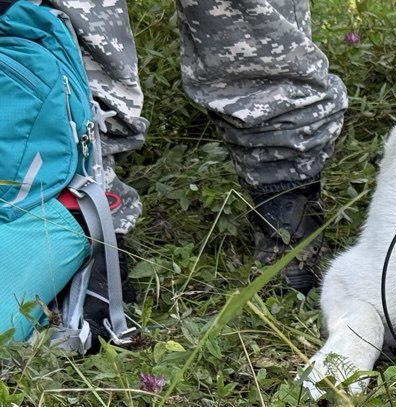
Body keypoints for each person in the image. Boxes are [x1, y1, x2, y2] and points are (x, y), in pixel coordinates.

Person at [45, 0, 347, 293]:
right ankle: (81, 215)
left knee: (246, 15)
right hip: (67, 156)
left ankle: (286, 199)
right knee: (74, 15)